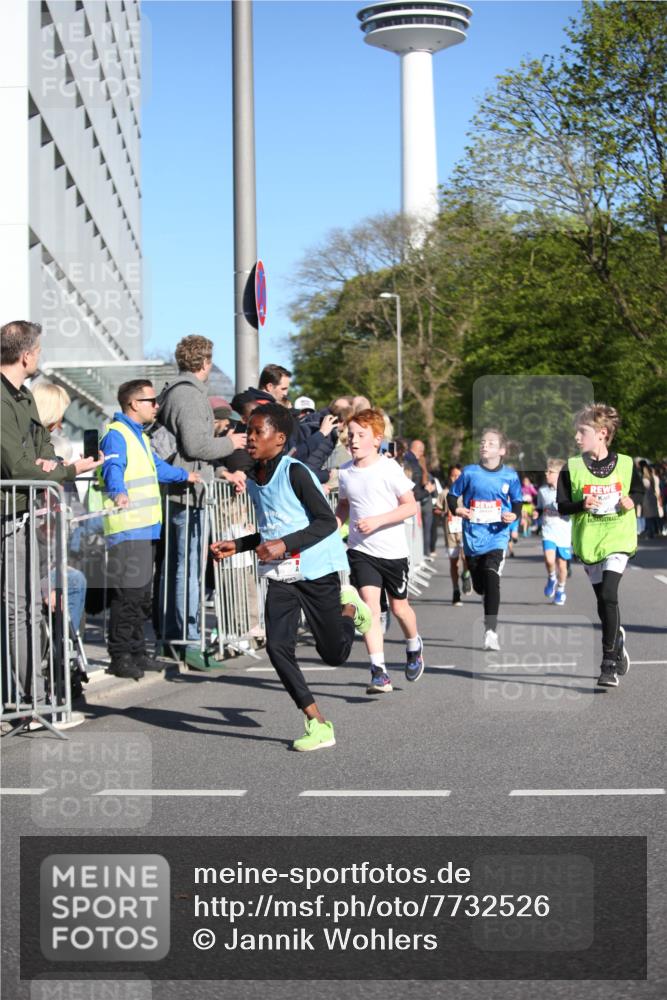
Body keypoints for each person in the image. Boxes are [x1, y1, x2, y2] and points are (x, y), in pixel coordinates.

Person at [210, 403, 371, 752]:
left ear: (279, 438)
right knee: (278, 647)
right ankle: (317, 722)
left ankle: (348, 608)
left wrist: (284, 545)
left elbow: (326, 522)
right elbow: (269, 532)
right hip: (281, 576)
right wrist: (237, 545)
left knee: (334, 655)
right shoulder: (254, 480)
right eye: (248, 432)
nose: (250, 438)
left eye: (258, 432)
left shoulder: (296, 472)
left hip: (316, 570)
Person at [1, 321, 102, 716]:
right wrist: (67, 470)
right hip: (10, 517)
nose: (40, 356)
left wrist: (53, 465)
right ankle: (31, 702)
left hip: (22, 516)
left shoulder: (24, 397)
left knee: (25, 613)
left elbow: (42, 452)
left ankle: (37, 699)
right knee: (19, 614)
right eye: (39, 350)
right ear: (26, 355)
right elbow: (19, 467)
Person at [99, 379, 201, 679]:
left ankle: (137, 652)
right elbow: (112, 468)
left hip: (145, 528)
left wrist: (185, 475)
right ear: (134, 404)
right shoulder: (116, 435)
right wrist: (118, 491)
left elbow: (157, 468)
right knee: (128, 597)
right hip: (128, 528)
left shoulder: (139, 436)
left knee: (142, 598)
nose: (156, 406)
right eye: (151, 401)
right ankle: (120, 657)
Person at [156, 335, 246, 651]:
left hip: (181, 489)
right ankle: (188, 639)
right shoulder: (191, 396)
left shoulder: (173, 392)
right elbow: (196, 446)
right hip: (188, 493)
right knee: (188, 569)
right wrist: (230, 444)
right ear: (205, 362)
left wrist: (221, 471)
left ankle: (174, 636)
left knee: (177, 567)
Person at [336, 409, 424, 693]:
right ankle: (379, 671)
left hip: (393, 552)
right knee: (370, 609)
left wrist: (377, 521)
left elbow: (410, 506)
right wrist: (333, 529)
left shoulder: (389, 469)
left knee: (399, 608)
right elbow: (345, 506)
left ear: (377, 439)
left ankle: (414, 644)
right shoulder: (346, 472)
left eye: (361, 435)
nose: (354, 440)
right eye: (351, 435)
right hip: (361, 550)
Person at [557, 404, 643, 688]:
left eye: (583, 432)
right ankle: (616, 637)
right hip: (589, 540)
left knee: (608, 594)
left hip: (618, 536)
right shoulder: (571, 468)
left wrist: (633, 499)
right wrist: (581, 504)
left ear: (602, 433)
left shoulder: (628, 463)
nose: (577, 438)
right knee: (602, 602)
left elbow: (639, 490)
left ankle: (608, 663)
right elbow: (562, 507)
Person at [447, 428, 523, 651]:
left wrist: (514, 514)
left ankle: (491, 631)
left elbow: (517, 501)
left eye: (490, 443)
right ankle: (475, 582)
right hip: (473, 537)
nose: (484, 446)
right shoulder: (469, 472)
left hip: (497, 535)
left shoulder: (510, 475)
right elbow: (452, 496)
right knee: (480, 587)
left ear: (501, 450)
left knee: (492, 577)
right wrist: (458, 509)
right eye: (482, 442)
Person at [534, 459, 572, 606]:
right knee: (550, 560)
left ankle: (561, 590)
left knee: (562, 565)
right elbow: (539, 508)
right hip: (548, 531)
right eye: (546, 471)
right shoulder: (542, 491)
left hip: (564, 533)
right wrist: (537, 514)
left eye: (550, 472)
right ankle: (551, 578)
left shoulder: (569, 492)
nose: (546, 473)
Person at [434, 464, 472, 606]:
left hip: (465, 530)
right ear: (449, 477)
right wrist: (445, 512)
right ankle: (456, 591)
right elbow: (436, 510)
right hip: (450, 532)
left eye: (458, 475)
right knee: (454, 563)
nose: (455, 478)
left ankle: (466, 574)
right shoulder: (445, 493)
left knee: (465, 557)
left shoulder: (467, 492)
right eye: (453, 475)